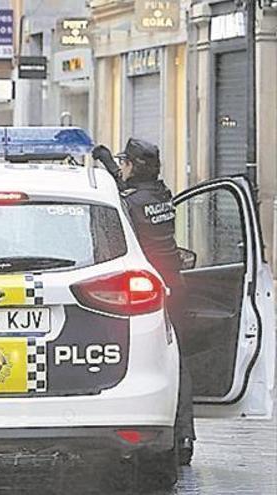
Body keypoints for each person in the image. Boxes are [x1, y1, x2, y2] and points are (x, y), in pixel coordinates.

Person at [92, 138, 195, 465]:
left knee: (150, 363)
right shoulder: (161, 195)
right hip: (174, 285)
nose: (121, 167)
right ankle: (184, 435)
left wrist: (106, 168)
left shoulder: (132, 202)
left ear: (134, 166)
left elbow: (120, 203)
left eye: (124, 163)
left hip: (148, 294)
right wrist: (111, 167)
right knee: (176, 363)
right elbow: (132, 194)